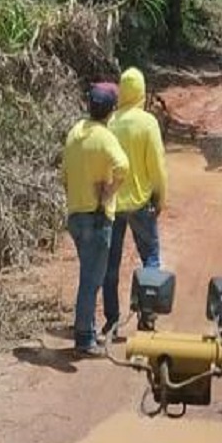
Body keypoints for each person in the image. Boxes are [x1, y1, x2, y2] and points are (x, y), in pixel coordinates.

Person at [61, 81, 129, 358]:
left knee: (88, 274)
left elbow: (64, 175)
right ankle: (84, 339)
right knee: (91, 280)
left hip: (76, 215)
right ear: (111, 110)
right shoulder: (104, 136)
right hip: (97, 217)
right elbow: (123, 166)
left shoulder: (76, 131)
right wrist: (109, 190)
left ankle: (86, 329)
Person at [103, 66, 167, 336]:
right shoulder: (148, 123)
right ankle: (147, 315)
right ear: (141, 92)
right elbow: (157, 168)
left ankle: (112, 320)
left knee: (111, 263)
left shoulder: (110, 121)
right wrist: (160, 198)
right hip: (141, 204)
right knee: (150, 258)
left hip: (113, 204)